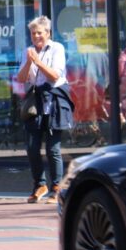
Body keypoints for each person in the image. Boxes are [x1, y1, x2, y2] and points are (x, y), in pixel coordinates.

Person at [16, 16, 74, 204]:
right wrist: (28, 62)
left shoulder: (57, 48)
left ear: (47, 33)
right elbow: (22, 79)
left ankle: (57, 186)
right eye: (33, 33)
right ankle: (40, 184)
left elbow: (55, 75)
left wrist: (38, 62)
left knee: (53, 148)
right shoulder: (29, 51)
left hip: (55, 98)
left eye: (39, 33)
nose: (36, 36)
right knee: (32, 147)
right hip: (36, 99)